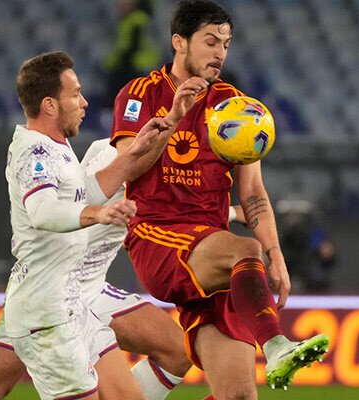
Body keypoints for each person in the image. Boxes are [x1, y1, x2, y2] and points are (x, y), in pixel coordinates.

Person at [0, 51, 207, 400]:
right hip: (46, 311)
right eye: (75, 94)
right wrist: (96, 214)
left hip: (74, 300)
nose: (83, 102)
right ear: (50, 105)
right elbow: (43, 211)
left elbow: (90, 189)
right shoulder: (35, 155)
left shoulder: (58, 147)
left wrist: (151, 136)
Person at [111, 1, 329, 397]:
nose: (220, 53)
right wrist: (175, 116)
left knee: (238, 395)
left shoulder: (235, 106)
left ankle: (270, 344)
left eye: (226, 44)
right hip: (158, 238)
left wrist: (275, 254)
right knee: (243, 247)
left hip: (218, 258)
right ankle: (277, 345)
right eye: (211, 41)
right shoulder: (140, 93)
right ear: (179, 42)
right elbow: (127, 167)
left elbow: (253, 194)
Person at [103, 0, 161, 107]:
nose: (120, 4)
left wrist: (116, 64)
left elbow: (132, 47)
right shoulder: (133, 20)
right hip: (141, 66)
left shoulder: (136, 21)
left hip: (137, 67)